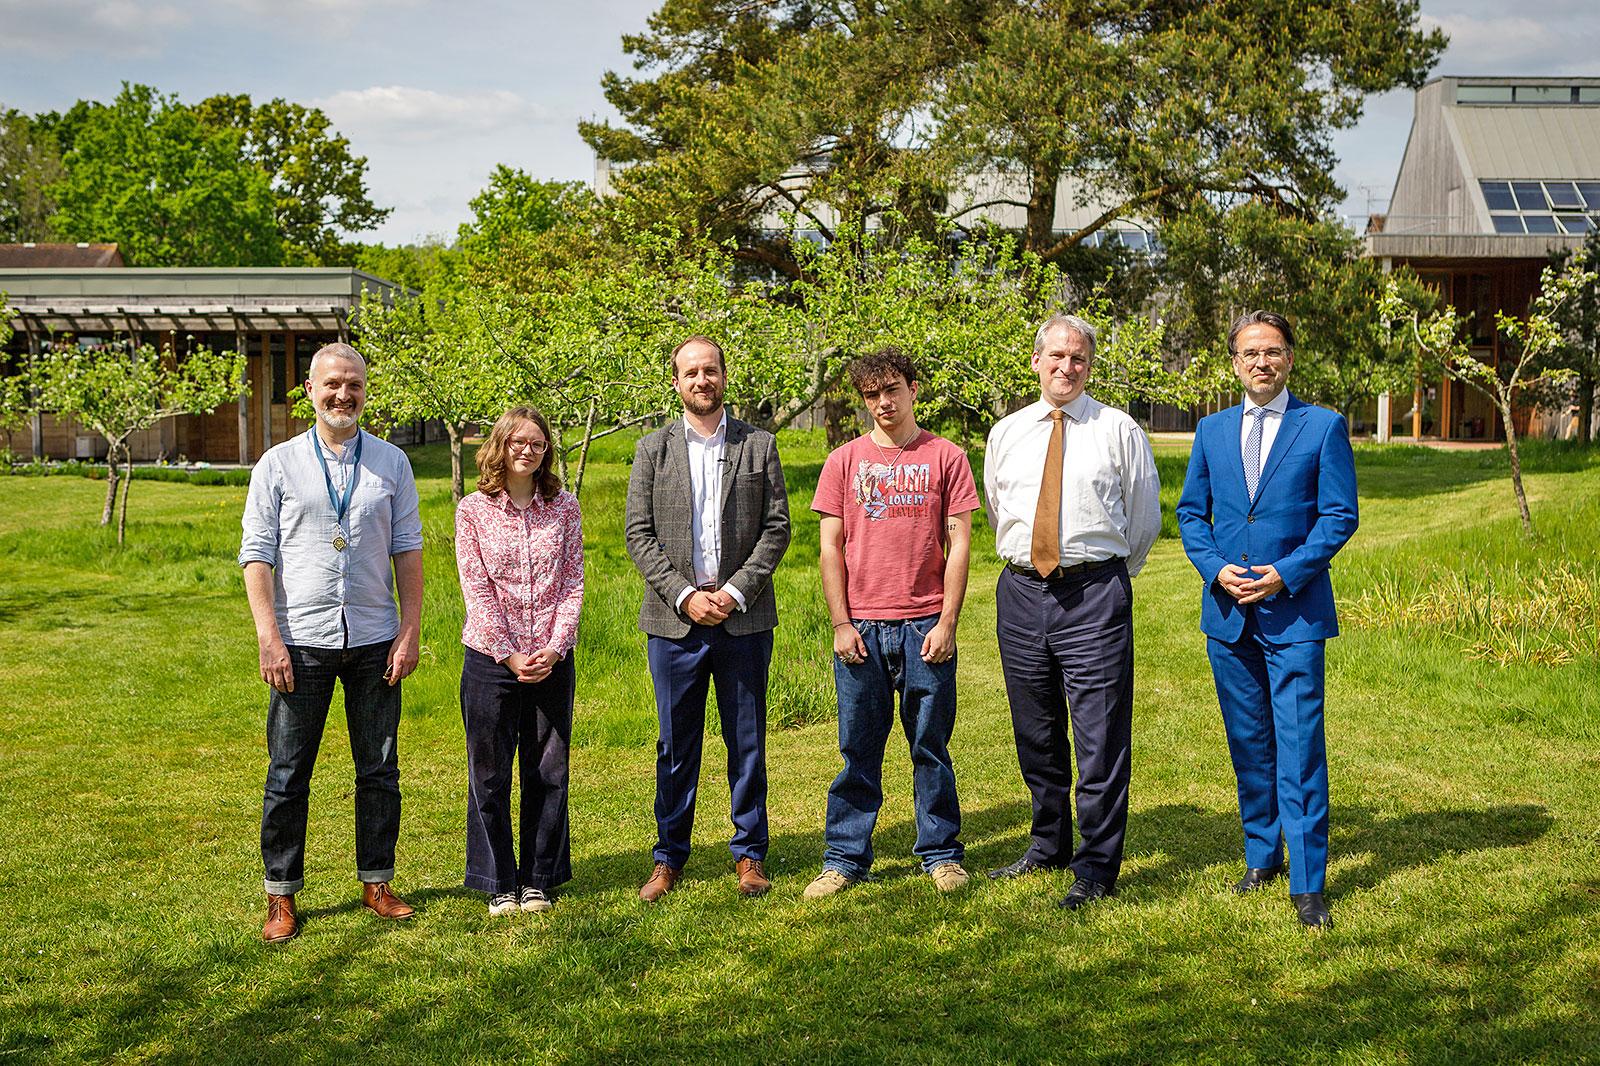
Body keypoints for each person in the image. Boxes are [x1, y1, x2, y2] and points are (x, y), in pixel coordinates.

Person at [1175, 311, 1358, 929]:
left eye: (1273, 352)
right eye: (1250, 353)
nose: (1262, 362)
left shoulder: (1323, 427)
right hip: (1229, 615)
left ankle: (1308, 883)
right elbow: (1191, 514)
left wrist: (1286, 572)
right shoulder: (1211, 431)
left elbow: (1339, 516)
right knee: (1249, 743)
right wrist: (1213, 569)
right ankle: (1262, 855)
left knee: (1300, 748)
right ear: (1235, 363)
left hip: (1294, 615)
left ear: (1289, 359)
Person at [239, 341, 423, 943]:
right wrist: (269, 638)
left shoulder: (392, 463)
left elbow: (408, 550)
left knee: (379, 770)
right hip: (301, 640)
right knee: (288, 773)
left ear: (365, 392)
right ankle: (281, 894)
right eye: (332, 385)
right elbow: (257, 555)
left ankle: (377, 881)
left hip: (374, 638)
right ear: (310, 392)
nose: (343, 395)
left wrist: (410, 630)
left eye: (354, 385)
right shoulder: (278, 465)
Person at [983, 314, 1160, 910]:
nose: (1067, 367)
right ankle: (1048, 843)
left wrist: (1102, 576)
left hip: (1093, 595)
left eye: (1078, 358)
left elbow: (1143, 520)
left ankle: (1097, 867)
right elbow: (998, 511)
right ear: (1036, 361)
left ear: (1090, 365)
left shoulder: (1119, 430)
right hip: (1020, 594)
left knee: (1099, 737)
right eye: (1056, 356)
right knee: (1035, 731)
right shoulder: (1006, 432)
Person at [804, 347, 980, 897]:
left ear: (912, 390)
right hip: (862, 626)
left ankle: (941, 853)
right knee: (858, 749)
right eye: (871, 394)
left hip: (925, 623)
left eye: (892, 390)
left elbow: (959, 544)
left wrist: (948, 622)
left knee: (930, 745)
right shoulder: (843, 462)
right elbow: (829, 548)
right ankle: (844, 858)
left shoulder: (946, 457)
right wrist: (841, 622)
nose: (883, 402)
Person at [624, 335, 791, 901]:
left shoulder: (758, 445)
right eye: (691, 372)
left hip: (743, 620)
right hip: (675, 624)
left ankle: (750, 854)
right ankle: (668, 857)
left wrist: (736, 592)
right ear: (676, 382)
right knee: (676, 747)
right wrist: (684, 596)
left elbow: (776, 528)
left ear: (724, 376)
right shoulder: (652, 450)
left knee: (747, 742)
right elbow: (638, 535)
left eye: (710, 370)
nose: (702, 380)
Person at [455, 407, 584, 916]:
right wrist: (509, 655)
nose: (527, 451)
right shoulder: (473, 510)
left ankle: (537, 879)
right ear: (501, 446)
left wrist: (556, 646)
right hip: (491, 659)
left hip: (551, 658)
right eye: (518, 442)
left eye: (537, 443)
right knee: (489, 773)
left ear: (547, 450)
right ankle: (498, 881)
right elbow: (476, 588)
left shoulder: (564, 508)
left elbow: (573, 581)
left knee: (547, 770)